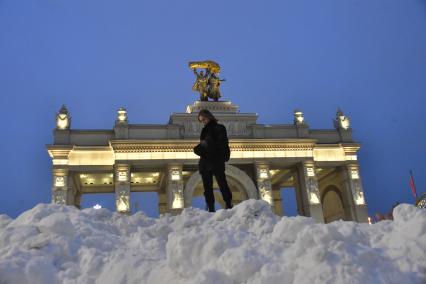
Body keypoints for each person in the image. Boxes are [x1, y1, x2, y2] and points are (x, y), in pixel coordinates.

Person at [193, 109, 233, 212]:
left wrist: (207, 145)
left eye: (204, 119)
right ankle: (211, 207)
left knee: (222, 183)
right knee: (207, 187)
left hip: (216, 161)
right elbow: (203, 146)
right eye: (201, 120)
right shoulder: (204, 131)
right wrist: (200, 148)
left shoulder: (219, 128)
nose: (203, 122)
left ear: (209, 116)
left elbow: (222, 144)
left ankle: (228, 203)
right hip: (206, 163)